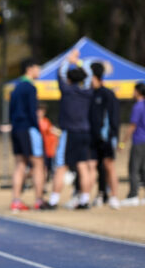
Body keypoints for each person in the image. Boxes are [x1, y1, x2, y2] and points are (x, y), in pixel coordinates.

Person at [49, 49, 96, 210]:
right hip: (85, 132)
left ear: (69, 79)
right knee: (83, 166)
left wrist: (69, 60)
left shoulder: (67, 90)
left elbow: (59, 72)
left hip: (69, 132)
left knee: (61, 166)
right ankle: (84, 200)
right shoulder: (87, 92)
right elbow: (89, 75)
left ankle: (53, 201)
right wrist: (80, 63)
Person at [8, 58, 50, 211]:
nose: (39, 71)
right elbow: (33, 112)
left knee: (20, 164)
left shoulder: (16, 87)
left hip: (16, 128)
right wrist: (37, 129)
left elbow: (11, 111)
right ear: (30, 69)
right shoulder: (30, 87)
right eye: (38, 68)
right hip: (28, 129)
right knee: (38, 163)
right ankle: (39, 199)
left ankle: (16, 200)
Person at [88, 62, 120, 209]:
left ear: (95, 77)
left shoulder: (107, 94)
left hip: (106, 137)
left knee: (109, 166)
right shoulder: (89, 94)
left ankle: (114, 196)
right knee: (95, 166)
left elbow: (114, 117)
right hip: (93, 139)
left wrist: (114, 136)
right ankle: (100, 194)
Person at [121, 82, 145, 206]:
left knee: (134, 168)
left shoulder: (138, 107)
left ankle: (133, 195)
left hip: (139, 140)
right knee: (143, 169)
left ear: (138, 92)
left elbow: (132, 126)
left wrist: (122, 143)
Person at [37, 104, 59, 183]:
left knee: (46, 167)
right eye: (39, 110)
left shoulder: (46, 121)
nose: (40, 112)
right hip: (38, 148)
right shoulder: (35, 122)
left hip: (48, 148)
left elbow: (52, 130)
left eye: (42, 111)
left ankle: (42, 184)